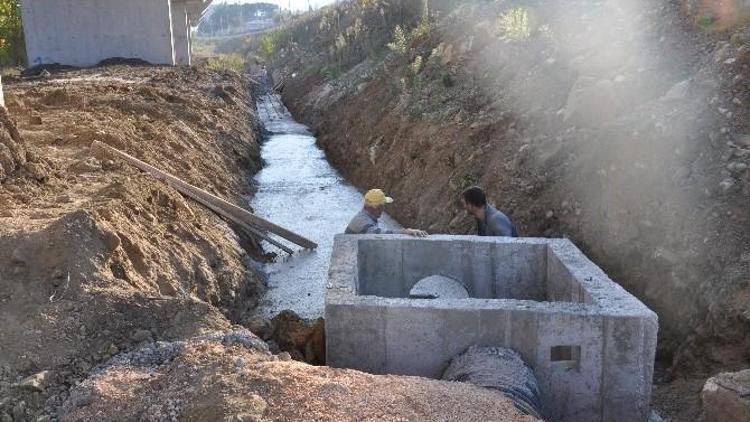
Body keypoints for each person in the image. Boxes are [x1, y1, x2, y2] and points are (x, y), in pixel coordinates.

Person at [345, 189, 428, 236]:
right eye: (382, 205)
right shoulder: (364, 222)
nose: (383, 209)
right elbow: (380, 235)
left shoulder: (365, 216)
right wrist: (405, 231)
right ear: (376, 207)